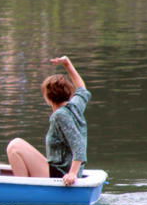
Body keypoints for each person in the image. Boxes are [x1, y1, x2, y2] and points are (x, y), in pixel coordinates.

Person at [6, 56, 90, 186]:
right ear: (69, 93)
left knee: (14, 146)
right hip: (60, 169)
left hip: (62, 175)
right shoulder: (74, 106)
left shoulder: (60, 116)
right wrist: (67, 64)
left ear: (47, 97)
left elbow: (79, 146)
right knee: (16, 145)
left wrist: (72, 174)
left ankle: (22, 190)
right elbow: (82, 89)